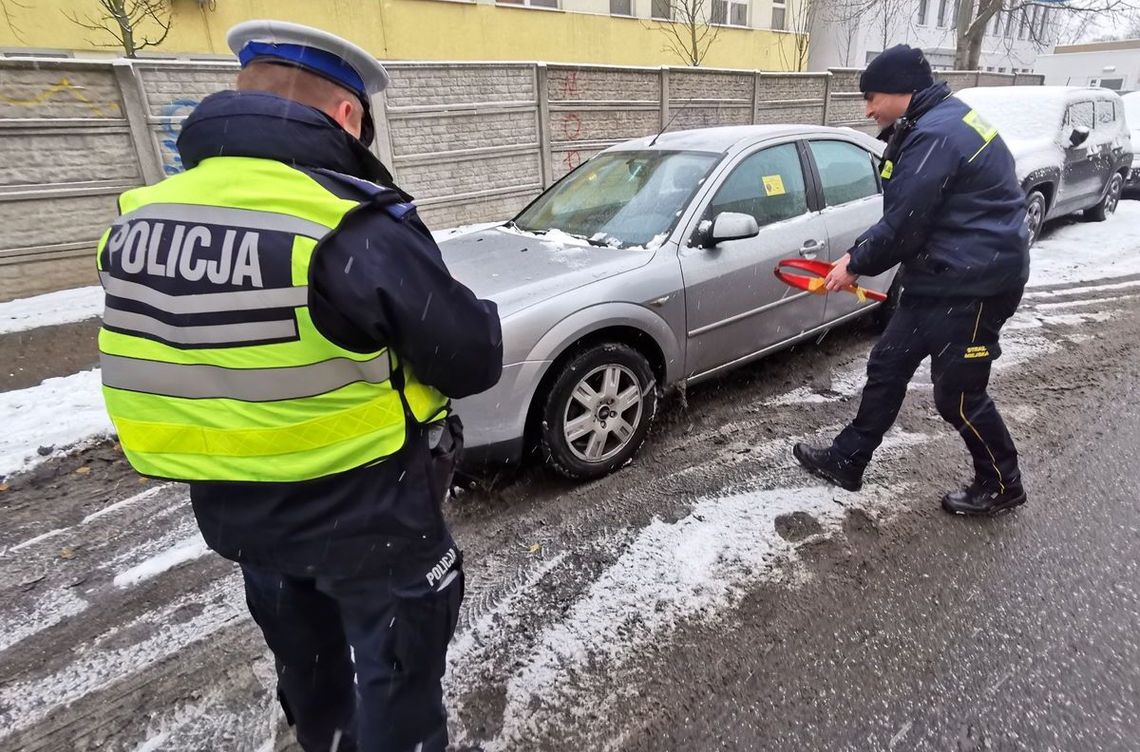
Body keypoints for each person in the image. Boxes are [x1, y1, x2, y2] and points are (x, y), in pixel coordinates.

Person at [96, 20, 503, 751]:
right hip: (365, 512)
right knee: (397, 672)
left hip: (238, 512)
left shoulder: (137, 221)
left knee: (308, 664)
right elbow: (468, 358)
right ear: (348, 114)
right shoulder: (347, 225)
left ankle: (321, 736)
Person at [792, 44, 1030, 517]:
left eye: (872, 96)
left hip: (975, 283)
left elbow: (906, 222)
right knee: (887, 365)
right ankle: (848, 459)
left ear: (904, 90)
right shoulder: (938, 121)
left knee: (958, 395)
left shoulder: (938, 134)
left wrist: (853, 262)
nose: (867, 108)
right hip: (940, 274)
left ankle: (1003, 483)